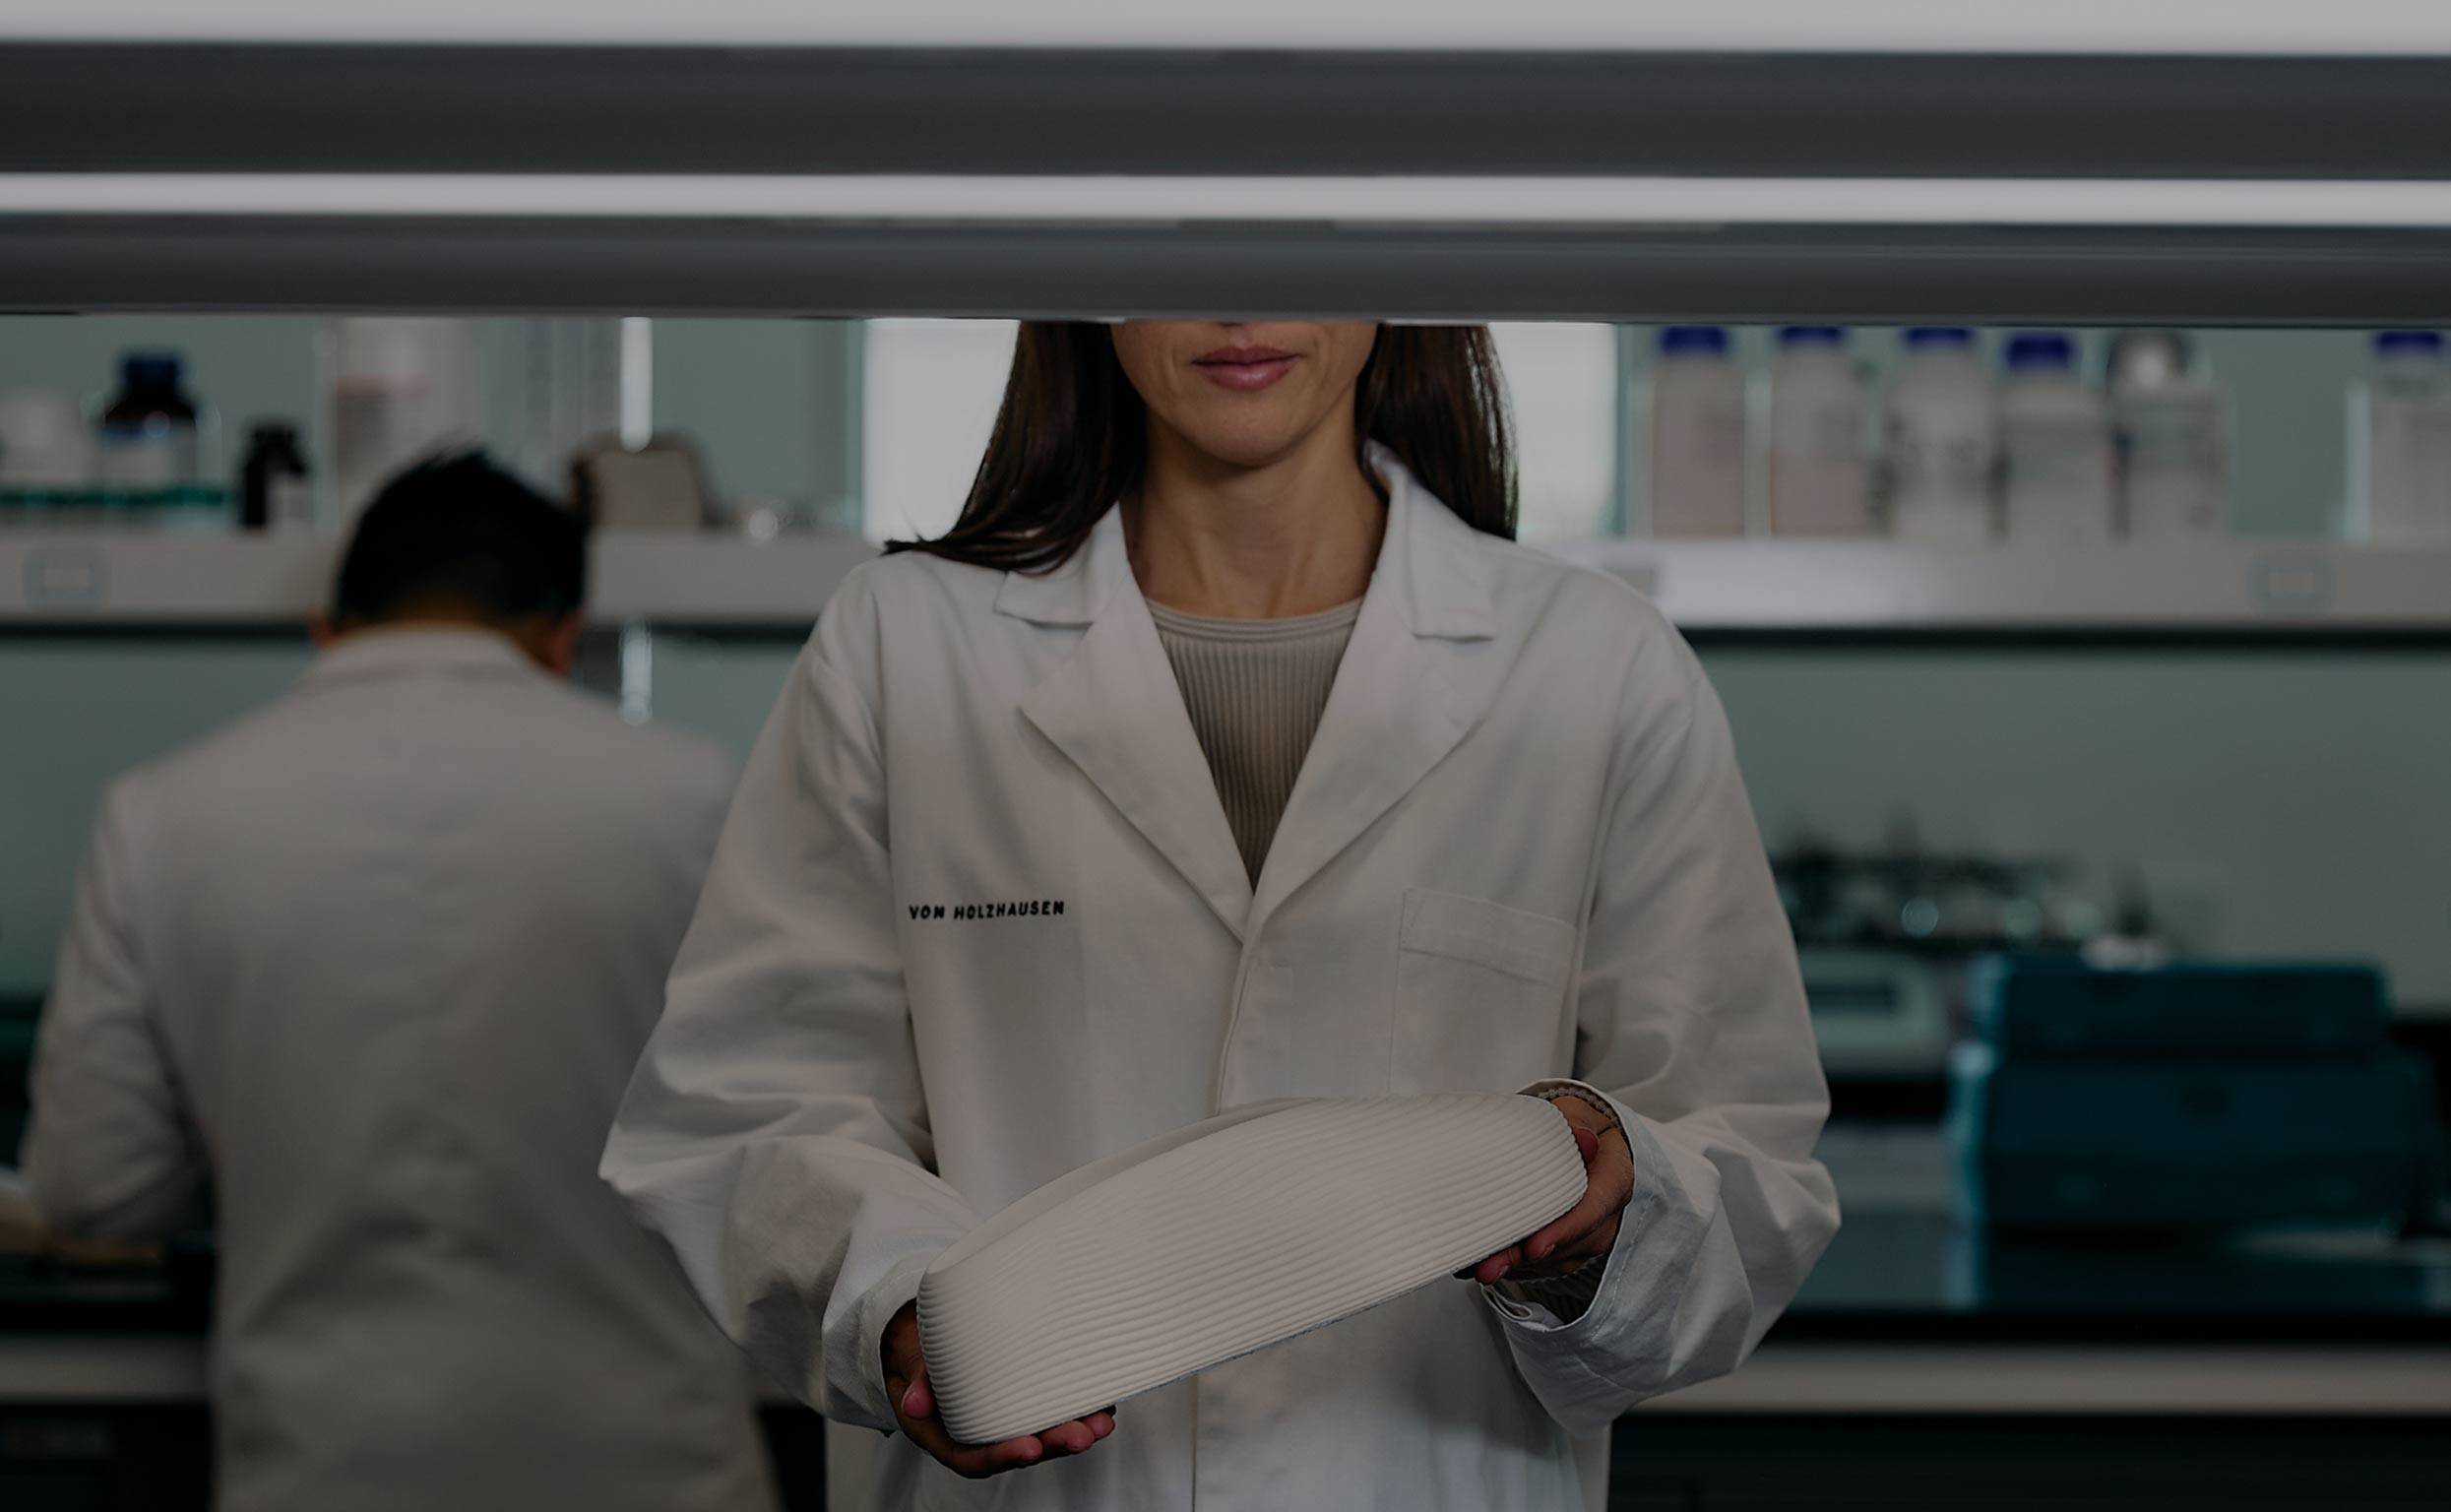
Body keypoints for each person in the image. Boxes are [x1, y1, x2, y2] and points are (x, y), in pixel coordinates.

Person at [602, 322, 1840, 1510]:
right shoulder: (903, 648)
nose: (1240, 297)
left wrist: (1615, 1213)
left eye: (1296, 227)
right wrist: (905, 1310)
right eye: (1180, 234)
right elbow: (753, 1107)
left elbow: (1748, 1156)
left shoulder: (1594, 666)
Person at [25, 453, 777, 1512]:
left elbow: (90, 1188)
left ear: (331, 627)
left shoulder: (161, 813)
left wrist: (266, 1136)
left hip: (318, 1470)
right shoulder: (696, 796)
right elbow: (778, 1140)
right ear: (560, 638)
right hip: (647, 1464)